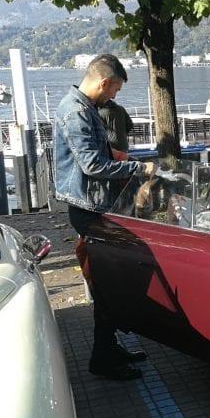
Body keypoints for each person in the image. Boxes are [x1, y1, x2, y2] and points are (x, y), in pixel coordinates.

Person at [53, 54, 157, 380]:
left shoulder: (85, 108)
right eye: (115, 90)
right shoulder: (77, 112)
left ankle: (110, 347)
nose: (115, 96)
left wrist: (124, 158)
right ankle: (103, 359)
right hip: (87, 208)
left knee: (109, 282)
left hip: (94, 205)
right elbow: (93, 166)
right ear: (104, 82)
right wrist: (137, 168)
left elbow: (101, 155)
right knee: (107, 284)